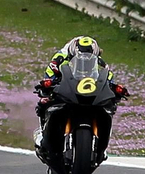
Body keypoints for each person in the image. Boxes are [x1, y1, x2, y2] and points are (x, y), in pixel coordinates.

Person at [33, 35, 128, 166]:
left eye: (89, 56)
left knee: (109, 107)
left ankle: (100, 145)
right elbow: (50, 72)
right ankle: (42, 133)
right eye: (83, 55)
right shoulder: (60, 57)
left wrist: (114, 87)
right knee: (44, 102)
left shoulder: (100, 63)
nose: (85, 59)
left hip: (87, 93)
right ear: (74, 52)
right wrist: (48, 83)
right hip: (65, 88)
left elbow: (108, 75)